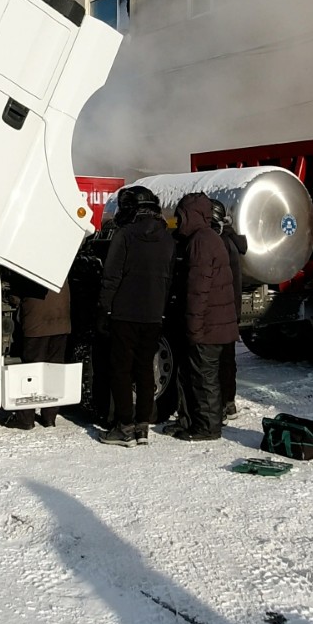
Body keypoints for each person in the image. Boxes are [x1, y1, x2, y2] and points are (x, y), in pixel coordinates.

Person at [97, 186, 175, 447]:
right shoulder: (167, 238)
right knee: (145, 369)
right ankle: (143, 426)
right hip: (153, 314)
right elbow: (169, 278)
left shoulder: (125, 235)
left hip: (124, 312)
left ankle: (124, 426)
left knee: (120, 370)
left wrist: (105, 308)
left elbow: (111, 276)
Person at [171, 192, 238, 442]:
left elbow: (198, 289)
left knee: (204, 377)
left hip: (208, 325)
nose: (178, 222)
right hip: (214, 323)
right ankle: (192, 421)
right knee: (196, 375)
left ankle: (208, 427)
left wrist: (194, 326)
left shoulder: (201, 242)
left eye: (181, 216)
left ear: (192, 215)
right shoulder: (207, 238)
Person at [0, 281, 73, 430]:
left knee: (30, 370)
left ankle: (26, 418)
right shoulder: (61, 261)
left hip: (37, 320)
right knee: (54, 368)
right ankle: (49, 417)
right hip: (61, 318)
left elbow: (16, 297)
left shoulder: (32, 262)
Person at [210, 198, 248, 419]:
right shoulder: (232, 241)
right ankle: (229, 402)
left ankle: (221, 405)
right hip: (231, 309)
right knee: (227, 359)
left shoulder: (220, 243)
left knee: (216, 361)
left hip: (221, 309)